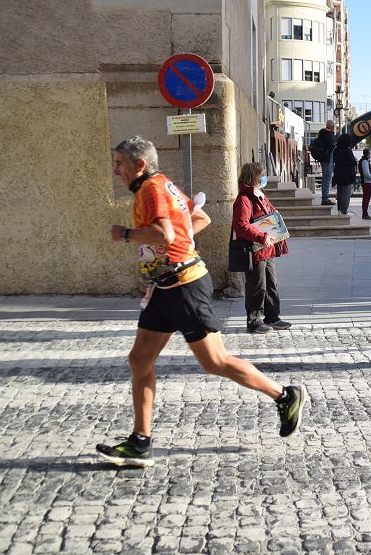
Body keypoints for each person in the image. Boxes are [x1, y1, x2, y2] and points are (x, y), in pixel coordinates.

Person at [97, 137, 306, 467]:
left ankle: (284, 396)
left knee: (214, 361)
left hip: (184, 285)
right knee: (139, 360)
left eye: (119, 163)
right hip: (164, 286)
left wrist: (125, 234)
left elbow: (164, 234)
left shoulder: (151, 190)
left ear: (139, 165)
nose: (115, 170)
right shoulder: (165, 186)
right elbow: (200, 220)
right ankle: (140, 442)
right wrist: (179, 240)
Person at [232, 162, 292, 334]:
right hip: (255, 249)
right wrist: (263, 236)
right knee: (257, 286)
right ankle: (254, 321)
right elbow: (241, 226)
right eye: (262, 174)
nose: (264, 177)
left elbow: (268, 214)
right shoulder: (243, 199)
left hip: (267, 248)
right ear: (254, 177)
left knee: (271, 284)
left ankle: (272, 317)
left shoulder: (261, 195)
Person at [308, 120, 337, 205]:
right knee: (327, 179)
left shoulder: (322, 133)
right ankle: (325, 198)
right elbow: (332, 147)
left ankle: (325, 197)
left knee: (325, 179)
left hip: (322, 159)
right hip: (328, 159)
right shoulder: (329, 134)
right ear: (332, 127)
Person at [332, 133, 357, 215]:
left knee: (339, 193)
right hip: (347, 174)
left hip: (338, 173)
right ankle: (344, 211)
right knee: (346, 193)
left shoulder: (336, 150)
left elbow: (334, 160)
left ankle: (339, 210)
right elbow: (352, 162)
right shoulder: (347, 150)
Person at [359, 149, 371, 220]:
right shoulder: (364, 161)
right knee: (366, 199)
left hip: (366, 182)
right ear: (367, 154)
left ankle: (365, 213)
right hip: (367, 182)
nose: (370, 155)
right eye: (370, 154)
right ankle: (365, 214)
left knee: (366, 198)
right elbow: (366, 173)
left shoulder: (363, 160)